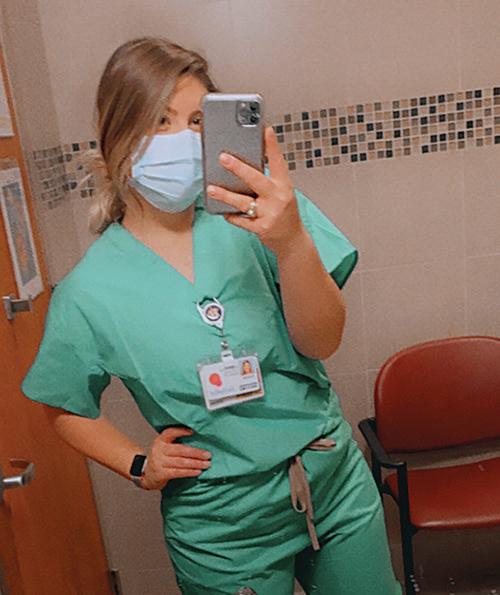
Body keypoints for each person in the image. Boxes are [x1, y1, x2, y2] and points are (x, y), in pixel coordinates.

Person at [21, 37, 402, 595]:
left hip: (330, 480)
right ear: (114, 131)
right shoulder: (89, 291)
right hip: (220, 525)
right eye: (161, 119)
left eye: (198, 120)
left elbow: (323, 341)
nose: (183, 138)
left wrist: (292, 243)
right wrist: (137, 464)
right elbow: (61, 404)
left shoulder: (264, 219)